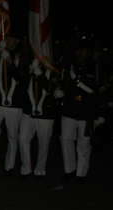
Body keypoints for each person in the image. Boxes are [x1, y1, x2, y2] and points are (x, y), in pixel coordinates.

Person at [58, 37, 101, 184]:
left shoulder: (94, 66)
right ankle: (69, 170)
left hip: (86, 108)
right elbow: (63, 82)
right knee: (66, 139)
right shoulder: (70, 65)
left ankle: (81, 173)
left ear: (89, 52)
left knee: (84, 143)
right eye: (78, 50)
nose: (80, 53)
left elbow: (95, 89)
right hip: (70, 108)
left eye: (83, 50)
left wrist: (77, 81)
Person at [0, 34, 25, 176]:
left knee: (12, 136)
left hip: (15, 103)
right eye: (6, 38)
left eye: (10, 38)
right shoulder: (1, 53)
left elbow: (19, 76)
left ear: (17, 40)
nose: (7, 40)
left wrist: (8, 57)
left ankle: (9, 167)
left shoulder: (21, 56)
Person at [17, 57, 60, 178]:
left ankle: (40, 168)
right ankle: (26, 167)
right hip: (29, 110)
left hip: (46, 112)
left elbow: (53, 89)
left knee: (43, 142)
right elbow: (21, 85)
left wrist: (40, 75)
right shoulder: (29, 67)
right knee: (23, 137)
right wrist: (31, 70)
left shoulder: (53, 71)